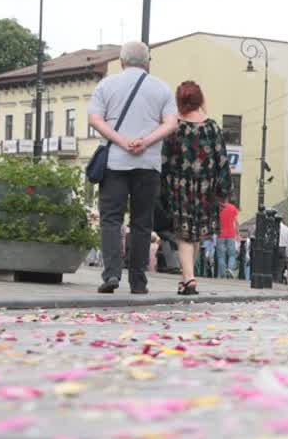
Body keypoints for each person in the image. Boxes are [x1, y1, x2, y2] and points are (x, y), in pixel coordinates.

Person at [86, 41, 178, 295]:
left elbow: (95, 119)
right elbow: (171, 123)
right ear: (147, 62)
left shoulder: (106, 85)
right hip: (148, 164)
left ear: (121, 61)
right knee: (141, 222)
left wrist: (121, 141)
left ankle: (112, 274)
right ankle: (138, 281)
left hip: (115, 162)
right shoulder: (161, 87)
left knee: (111, 220)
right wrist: (145, 141)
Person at [157, 80, 231, 298]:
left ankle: (189, 278)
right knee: (194, 236)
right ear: (201, 99)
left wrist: (161, 187)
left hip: (180, 187)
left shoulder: (175, 127)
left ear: (179, 101)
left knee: (185, 235)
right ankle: (186, 278)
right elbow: (222, 160)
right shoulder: (212, 127)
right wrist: (224, 191)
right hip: (206, 189)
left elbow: (164, 159)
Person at [215, 198, 239, 278]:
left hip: (220, 234)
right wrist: (237, 234)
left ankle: (223, 274)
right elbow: (236, 222)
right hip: (231, 234)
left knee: (221, 256)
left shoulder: (218, 208)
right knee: (232, 254)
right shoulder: (233, 208)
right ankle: (230, 269)